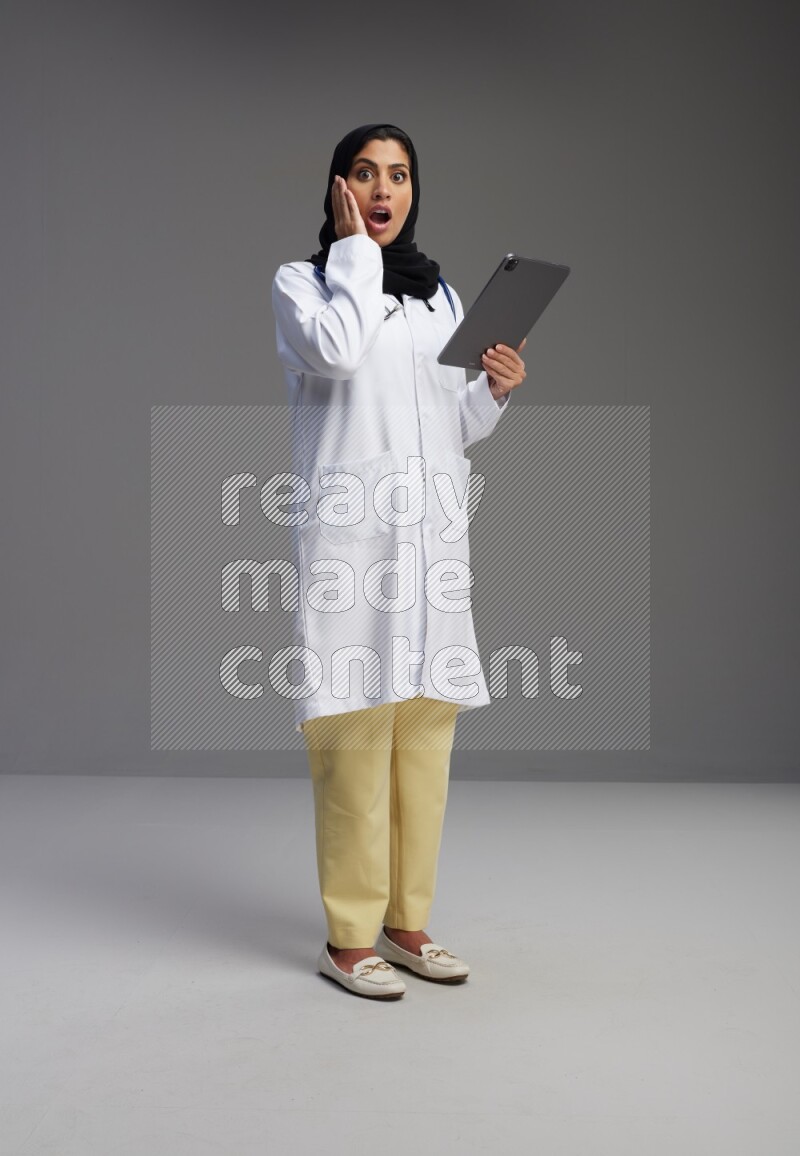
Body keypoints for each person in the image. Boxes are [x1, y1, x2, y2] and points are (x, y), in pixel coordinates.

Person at [271, 123, 526, 999]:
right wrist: (352, 256)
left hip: (431, 546)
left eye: (401, 176)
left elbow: (450, 425)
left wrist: (491, 387)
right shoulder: (305, 284)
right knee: (352, 735)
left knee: (422, 738)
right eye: (367, 176)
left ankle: (407, 921)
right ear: (339, 188)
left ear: (416, 191)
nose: (386, 192)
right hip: (353, 546)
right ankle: (348, 936)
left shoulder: (440, 297)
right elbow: (336, 353)